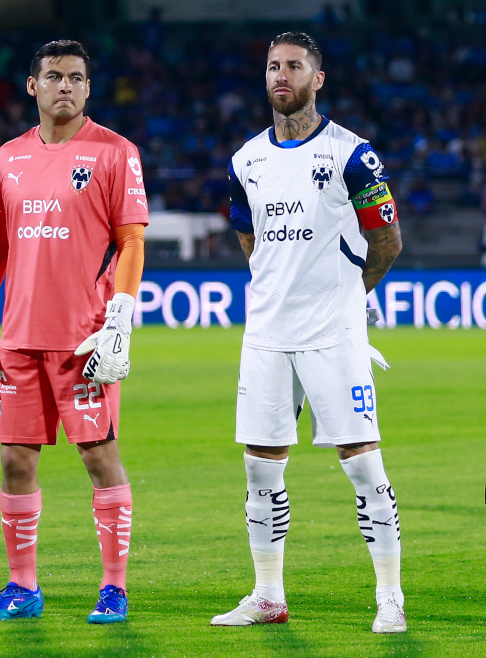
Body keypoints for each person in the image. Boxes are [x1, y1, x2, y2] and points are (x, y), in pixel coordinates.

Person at [211, 32, 405, 634]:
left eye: (294, 66)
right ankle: (268, 594)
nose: (282, 75)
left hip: (333, 335)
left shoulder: (353, 154)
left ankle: (389, 597)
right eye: (273, 66)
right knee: (260, 466)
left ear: (317, 79)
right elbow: (251, 242)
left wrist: (349, 301)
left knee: (362, 464)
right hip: (267, 333)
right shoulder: (246, 160)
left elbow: (388, 242)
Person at [0, 40, 149, 624]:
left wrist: (120, 318)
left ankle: (114, 587)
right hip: (19, 339)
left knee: (99, 456)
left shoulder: (116, 152)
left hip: (84, 338)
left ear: (88, 89)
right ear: (32, 87)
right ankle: (22, 588)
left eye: (77, 78)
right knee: (16, 461)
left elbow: (132, 240)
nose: (66, 86)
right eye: (55, 76)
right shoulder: (8, 156)